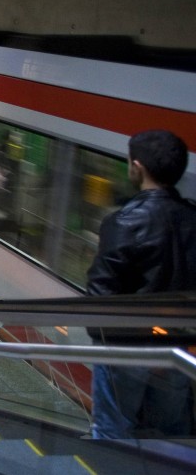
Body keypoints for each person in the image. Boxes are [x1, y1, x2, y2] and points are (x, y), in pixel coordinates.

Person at [86, 129, 196, 440]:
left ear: (138, 167)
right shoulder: (192, 218)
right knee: (172, 430)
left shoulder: (123, 222)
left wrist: (108, 344)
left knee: (112, 429)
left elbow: (99, 298)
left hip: (126, 349)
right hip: (178, 346)